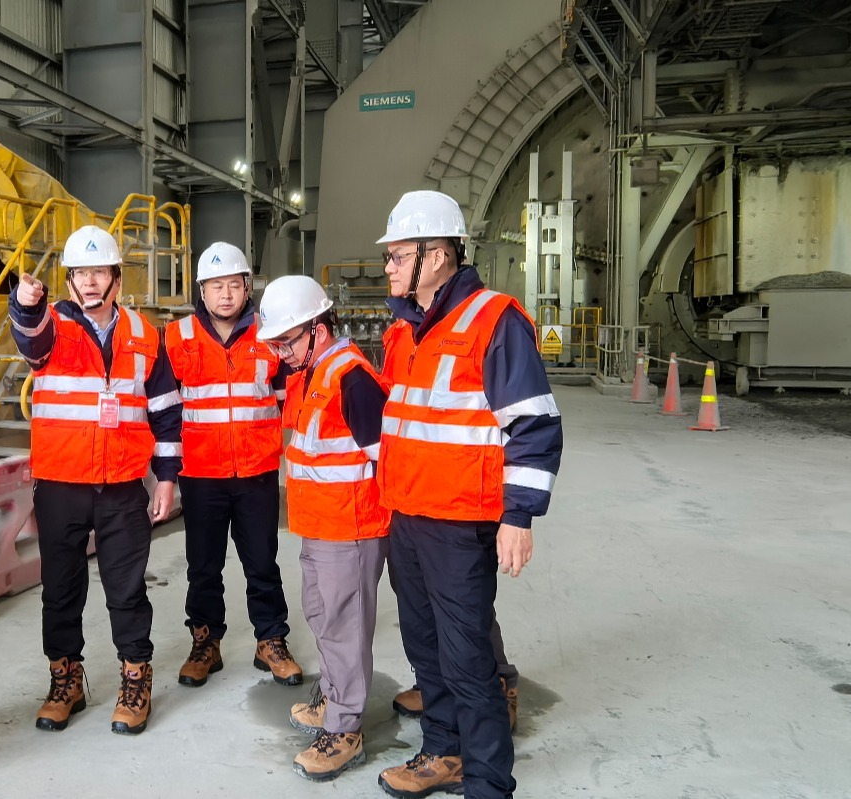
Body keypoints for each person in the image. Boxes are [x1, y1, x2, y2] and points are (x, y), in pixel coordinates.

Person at [372, 191, 562, 799]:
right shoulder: (405, 330)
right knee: (424, 648)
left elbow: (533, 424)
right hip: (407, 514)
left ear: (436, 256)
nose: (388, 266)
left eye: (398, 255)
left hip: (460, 523)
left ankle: (487, 783)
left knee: (467, 660)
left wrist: (519, 516)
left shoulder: (494, 320)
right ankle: (443, 752)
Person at [9, 224, 182, 736]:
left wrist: (166, 479)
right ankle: (66, 681)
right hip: (60, 486)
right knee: (61, 591)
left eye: (98, 272)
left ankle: (135, 679)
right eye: (79, 273)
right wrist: (24, 305)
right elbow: (30, 338)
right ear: (68, 281)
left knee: (127, 591)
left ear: (116, 278)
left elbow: (165, 412)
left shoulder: (145, 334)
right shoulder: (52, 326)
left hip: (123, 485)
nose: (88, 281)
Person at [255, 275, 390, 781]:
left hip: (350, 528)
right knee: (323, 617)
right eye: (276, 343)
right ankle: (334, 698)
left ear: (318, 327)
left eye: (287, 341)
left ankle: (345, 729)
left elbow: (385, 460)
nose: (282, 353)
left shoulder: (351, 378)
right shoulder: (313, 371)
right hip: (320, 525)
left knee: (344, 628)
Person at [165, 242, 302, 690]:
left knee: (262, 562)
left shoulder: (271, 335)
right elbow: (163, 407)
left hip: (256, 472)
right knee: (203, 567)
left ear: (247, 287)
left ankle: (271, 640)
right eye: (216, 286)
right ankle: (205, 643)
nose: (225, 294)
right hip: (201, 474)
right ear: (201, 291)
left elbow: (288, 400)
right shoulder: (177, 337)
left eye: (234, 285)